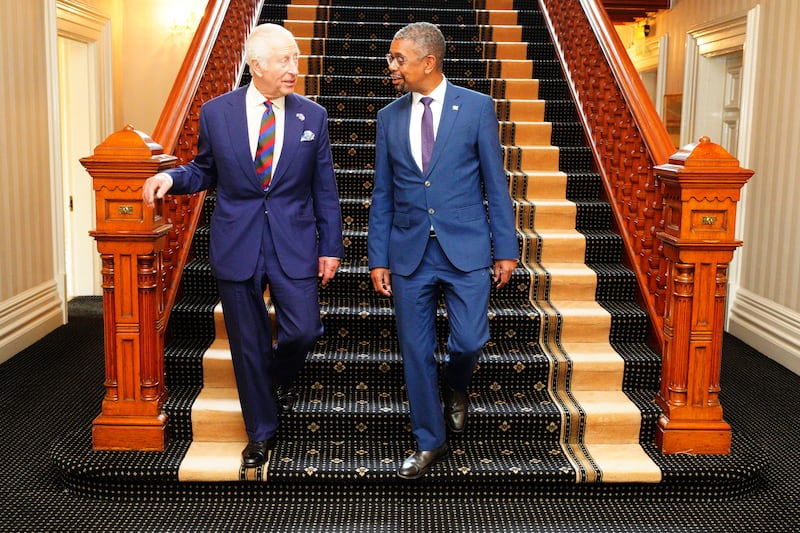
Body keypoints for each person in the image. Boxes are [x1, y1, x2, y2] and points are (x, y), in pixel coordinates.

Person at [142, 23, 344, 469]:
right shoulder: (217, 112)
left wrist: (330, 247)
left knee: (304, 330)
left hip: (294, 242)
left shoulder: (313, 116)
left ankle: (274, 378)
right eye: (284, 60)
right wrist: (170, 178)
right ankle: (261, 432)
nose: (294, 68)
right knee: (247, 343)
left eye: (295, 58)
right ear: (256, 65)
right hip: (238, 242)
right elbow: (204, 170)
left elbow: (325, 190)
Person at [368, 22, 519, 479]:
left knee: (470, 340)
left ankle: (456, 386)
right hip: (409, 251)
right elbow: (383, 194)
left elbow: (495, 182)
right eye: (391, 58)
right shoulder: (388, 117)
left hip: (467, 248)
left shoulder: (475, 108)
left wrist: (505, 247)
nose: (391, 66)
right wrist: (379, 257)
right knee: (415, 351)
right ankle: (429, 441)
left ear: (428, 62)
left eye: (398, 58)